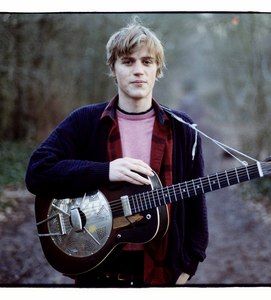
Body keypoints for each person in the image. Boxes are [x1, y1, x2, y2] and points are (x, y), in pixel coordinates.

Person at [25, 19, 208, 287]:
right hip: (97, 273)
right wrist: (105, 170)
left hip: (160, 275)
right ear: (113, 67)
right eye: (128, 61)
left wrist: (188, 266)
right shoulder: (85, 121)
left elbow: (196, 202)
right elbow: (37, 173)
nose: (138, 71)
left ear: (157, 69)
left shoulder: (182, 129)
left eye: (147, 62)